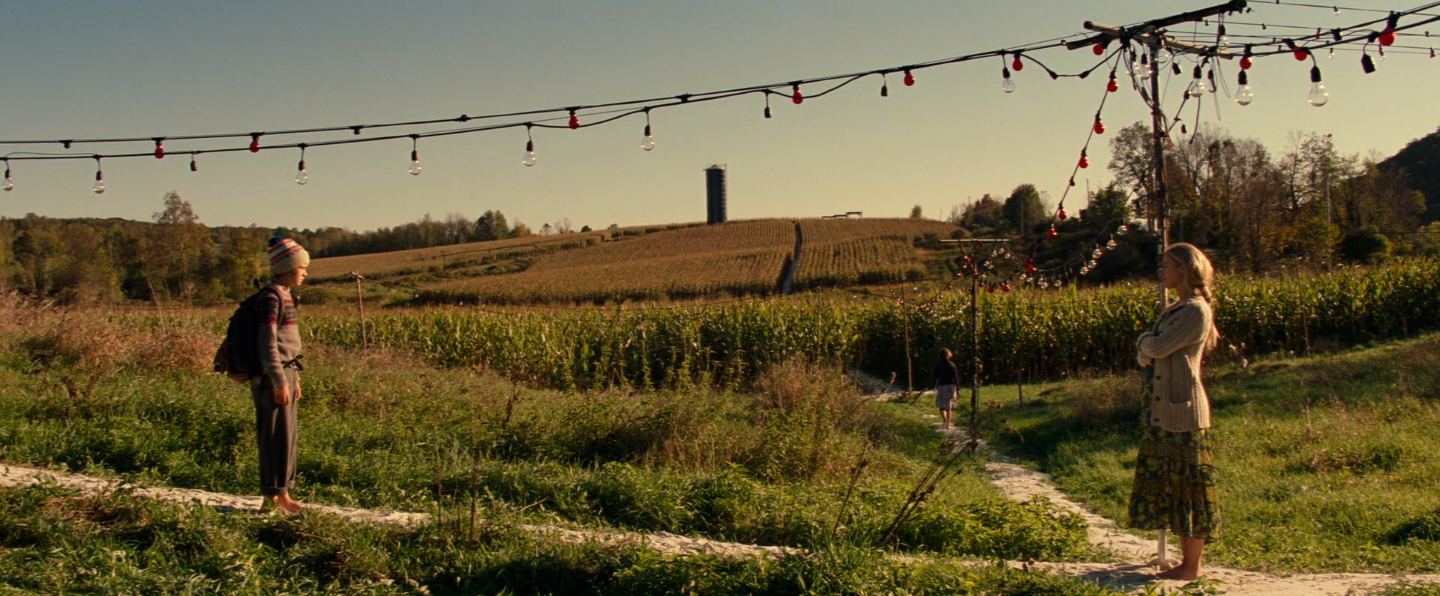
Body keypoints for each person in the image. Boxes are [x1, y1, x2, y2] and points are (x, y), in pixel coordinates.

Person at [1128, 243, 1222, 581]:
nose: (1162, 271)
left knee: (1190, 489)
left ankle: (1191, 567)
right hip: (1162, 413)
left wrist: (1144, 343)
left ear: (1184, 268)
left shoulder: (1195, 311)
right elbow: (1148, 354)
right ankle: (1186, 563)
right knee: (1174, 488)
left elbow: (1158, 347)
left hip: (1182, 413)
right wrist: (1147, 347)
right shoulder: (1176, 309)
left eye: (1167, 265)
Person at [254, 237, 309, 513]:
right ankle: (273, 497)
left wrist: (293, 378)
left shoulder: (285, 294)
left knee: (287, 436)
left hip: (287, 373)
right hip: (272, 377)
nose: (305, 273)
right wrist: (278, 380)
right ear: (288, 268)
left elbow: (286, 344)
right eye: (302, 267)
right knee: (274, 436)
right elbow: (267, 344)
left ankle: (281, 494)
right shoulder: (270, 297)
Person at [933, 348, 959, 430]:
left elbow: (934, 376)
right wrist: (958, 388)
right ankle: (948, 423)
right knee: (949, 405)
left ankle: (944, 420)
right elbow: (956, 378)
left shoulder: (938, 365)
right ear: (948, 354)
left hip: (941, 386)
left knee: (941, 405)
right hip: (951, 386)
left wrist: (935, 384)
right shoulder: (952, 365)